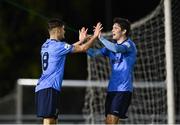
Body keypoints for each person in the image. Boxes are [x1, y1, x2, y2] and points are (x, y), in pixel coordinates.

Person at [35, 18, 102, 125]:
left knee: (53, 120)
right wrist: (94, 36)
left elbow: (69, 47)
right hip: (49, 88)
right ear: (58, 30)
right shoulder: (58, 46)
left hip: (44, 87)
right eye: (63, 29)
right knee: (49, 120)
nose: (64, 31)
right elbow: (83, 48)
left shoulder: (46, 44)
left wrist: (82, 40)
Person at [87, 17, 137, 124]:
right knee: (108, 122)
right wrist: (85, 42)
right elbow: (94, 54)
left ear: (124, 31)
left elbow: (116, 49)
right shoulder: (110, 47)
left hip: (123, 90)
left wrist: (100, 38)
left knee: (112, 121)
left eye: (116, 28)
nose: (113, 30)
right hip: (112, 89)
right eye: (112, 28)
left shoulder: (129, 45)